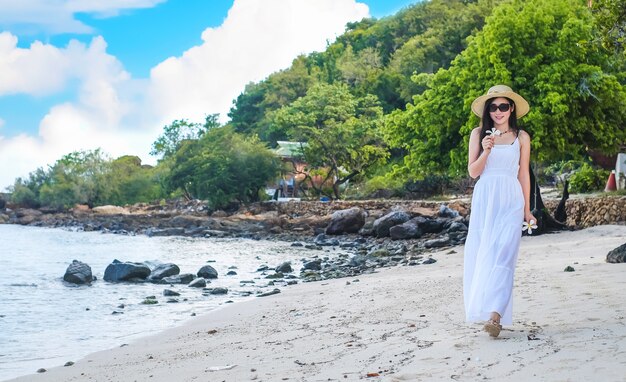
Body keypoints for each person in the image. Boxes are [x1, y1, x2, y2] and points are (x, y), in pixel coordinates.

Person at [463, 84, 536, 338]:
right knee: (487, 253)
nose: (498, 111)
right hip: (486, 199)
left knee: (505, 254)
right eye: (493, 107)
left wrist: (527, 210)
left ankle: (495, 316)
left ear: (511, 108)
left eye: (503, 106)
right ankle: (487, 309)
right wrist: (486, 149)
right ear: (488, 110)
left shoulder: (522, 137)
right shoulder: (478, 134)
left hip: (511, 198)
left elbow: (523, 174)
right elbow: (473, 172)